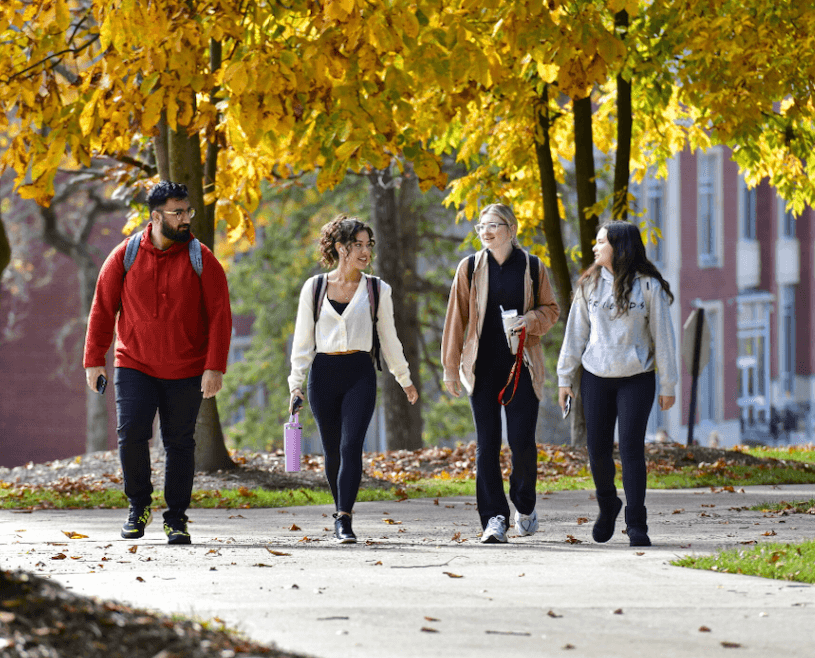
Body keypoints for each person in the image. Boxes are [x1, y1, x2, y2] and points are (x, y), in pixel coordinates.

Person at [83, 181, 232, 545]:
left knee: (179, 442)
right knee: (131, 434)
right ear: (155, 216)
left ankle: (176, 518)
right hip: (135, 363)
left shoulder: (202, 258)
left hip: (187, 368)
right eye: (177, 213)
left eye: (188, 211)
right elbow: (103, 308)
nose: (185, 219)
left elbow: (220, 315)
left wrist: (214, 366)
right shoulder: (125, 255)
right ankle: (138, 507)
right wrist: (93, 360)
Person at [288, 215, 418, 544]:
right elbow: (302, 341)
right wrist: (296, 384)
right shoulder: (314, 288)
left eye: (368, 245)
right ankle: (338, 509)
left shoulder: (377, 289)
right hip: (323, 375)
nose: (365, 252)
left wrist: (404, 379)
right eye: (357, 245)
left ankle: (344, 518)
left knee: (351, 447)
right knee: (332, 450)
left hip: (360, 372)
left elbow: (389, 338)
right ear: (339, 248)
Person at [441, 203, 560, 544]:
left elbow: (551, 310)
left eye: (493, 225)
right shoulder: (469, 269)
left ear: (511, 228)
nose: (486, 231)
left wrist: (529, 321)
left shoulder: (533, 267)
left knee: (521, 441)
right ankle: (494, 518)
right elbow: (455, 321)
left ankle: (524, 503)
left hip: (522, 365)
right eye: (481, 227)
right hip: (482, 367)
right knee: (487, 444)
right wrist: (451, 369)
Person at [557, 220, 678, 547]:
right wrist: (565, 378)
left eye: (601, 242)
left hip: (636, 378)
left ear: (619, 246)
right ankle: (607, 502)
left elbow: (663, 338)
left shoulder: (649, 287)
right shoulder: (588, 285)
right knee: (596, 449)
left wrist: (668, 384)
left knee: (630, 449)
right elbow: (575, 334)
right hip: (595, 376)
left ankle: (637, 524)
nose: (595, 248)